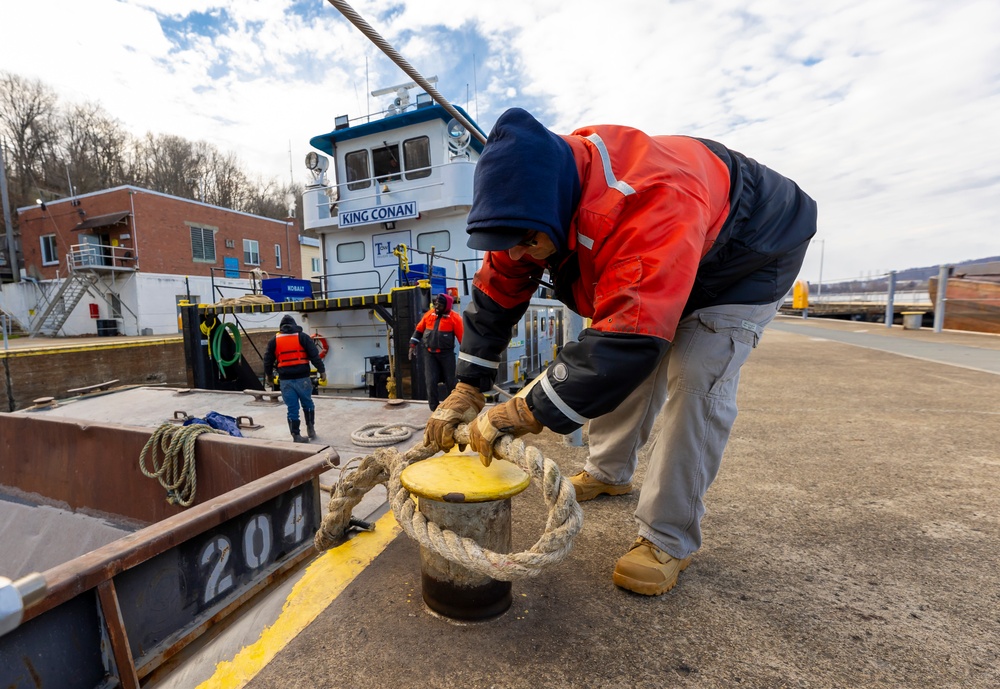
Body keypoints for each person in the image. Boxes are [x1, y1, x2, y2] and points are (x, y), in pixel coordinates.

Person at [425, 108, 817, 596]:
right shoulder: (527, 212)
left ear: (555, 209)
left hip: (749, 253)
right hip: (683, 232)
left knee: (696, 374)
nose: (520, 254)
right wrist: (468, 385)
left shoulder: (645, 201)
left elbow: (624, 345)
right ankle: (609, 472)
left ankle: (668, 537)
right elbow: (497, 294)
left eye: (526, 244)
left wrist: (522, 410)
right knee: (618, 345)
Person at [263, 314, 326, 443]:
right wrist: (322, 371)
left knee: (292, 409)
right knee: (307, 403)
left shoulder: (274, 340)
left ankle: (296, 436)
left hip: (285, 380)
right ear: (294, 325)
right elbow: (314, 355)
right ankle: (310, 428)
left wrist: (269, 376)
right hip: (302, 378)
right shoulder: (303, 337)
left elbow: (267, 360)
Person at [409, 292, 464, 411]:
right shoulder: (429, 315)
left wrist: (466, 358)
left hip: (446, 355)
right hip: (429, 354)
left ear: (447, 307)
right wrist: (412, 345)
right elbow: (419, 330)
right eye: (436, 304)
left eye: (440, 305)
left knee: (451, 382)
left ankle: (452, 408)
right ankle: (434, 409)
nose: (437, 307)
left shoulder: (455, 319)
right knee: (430, 381)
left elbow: (462, 339)